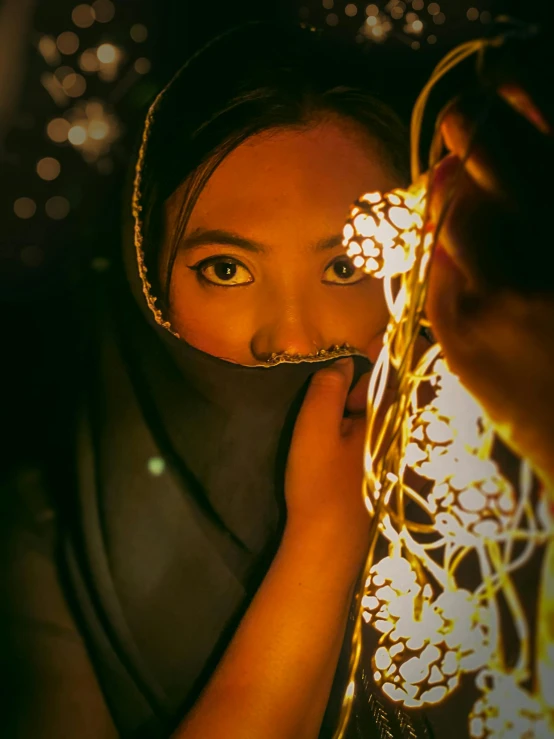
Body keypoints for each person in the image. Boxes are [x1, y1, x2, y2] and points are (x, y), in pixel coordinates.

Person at [3, 18, 553, 739]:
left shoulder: (500, 498)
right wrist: (325, 537)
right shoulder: (46, 539)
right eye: (226, 270)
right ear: (148, 286)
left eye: (347, 266)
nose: (293, 338)